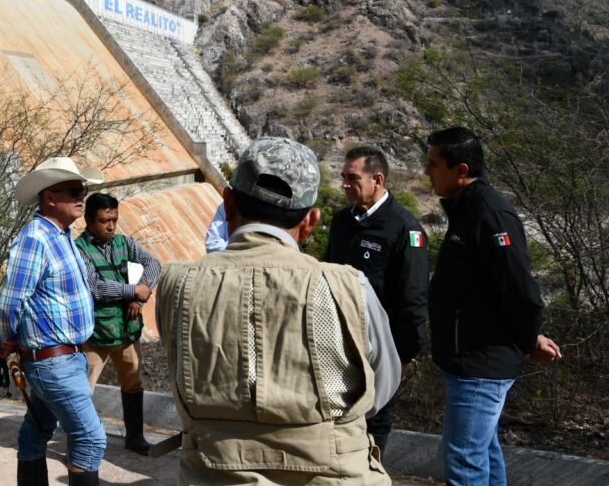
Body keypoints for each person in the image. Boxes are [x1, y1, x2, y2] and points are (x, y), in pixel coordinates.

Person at [157, 136, 401, 485]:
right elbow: (380, 388)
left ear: (228, 204)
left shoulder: (176, 283)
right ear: (311, 221)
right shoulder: (348, 286)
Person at [425, 126, 562, 486]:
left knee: (464, 461)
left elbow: (520, 289)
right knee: (482, 452)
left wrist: (528, 338)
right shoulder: (467, 209)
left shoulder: (490, 213)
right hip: (470, 359)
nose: (427, 172)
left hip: (480, 363)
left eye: (434, 164)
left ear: (461, 170)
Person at [0, 157, 107, 486]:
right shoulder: (36, 239)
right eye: (73, 191)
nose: (81, 196)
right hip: (53, 363)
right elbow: (9, 303)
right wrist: (6, 341)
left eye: (82, 190)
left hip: (64, 359)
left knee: (38, 429)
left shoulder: (61, 235)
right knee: (90, 439)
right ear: (50, 197)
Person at [323, 145, 429, 455]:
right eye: (343, 177)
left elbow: (413, 297)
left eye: (352, 178)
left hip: (380, 348)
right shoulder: (342, 222)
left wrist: (404, 356)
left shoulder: (404, 228)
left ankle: (372, 470)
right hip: (336, 342)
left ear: (377, 180)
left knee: (374, 419)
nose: (344, 184)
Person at [75, 192, 162, 455]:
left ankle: (135, 438)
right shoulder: (79, 250)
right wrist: (131, 291)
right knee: (82, 390)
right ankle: (81, 443)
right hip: (96, 333)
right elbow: (95, 287)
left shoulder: (124, 243)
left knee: (133, 385)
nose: (111, 226)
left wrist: (141, 294)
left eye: (114, 219)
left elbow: (153, 263)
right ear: (89, 220)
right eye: (104, 221)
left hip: (126, 329)